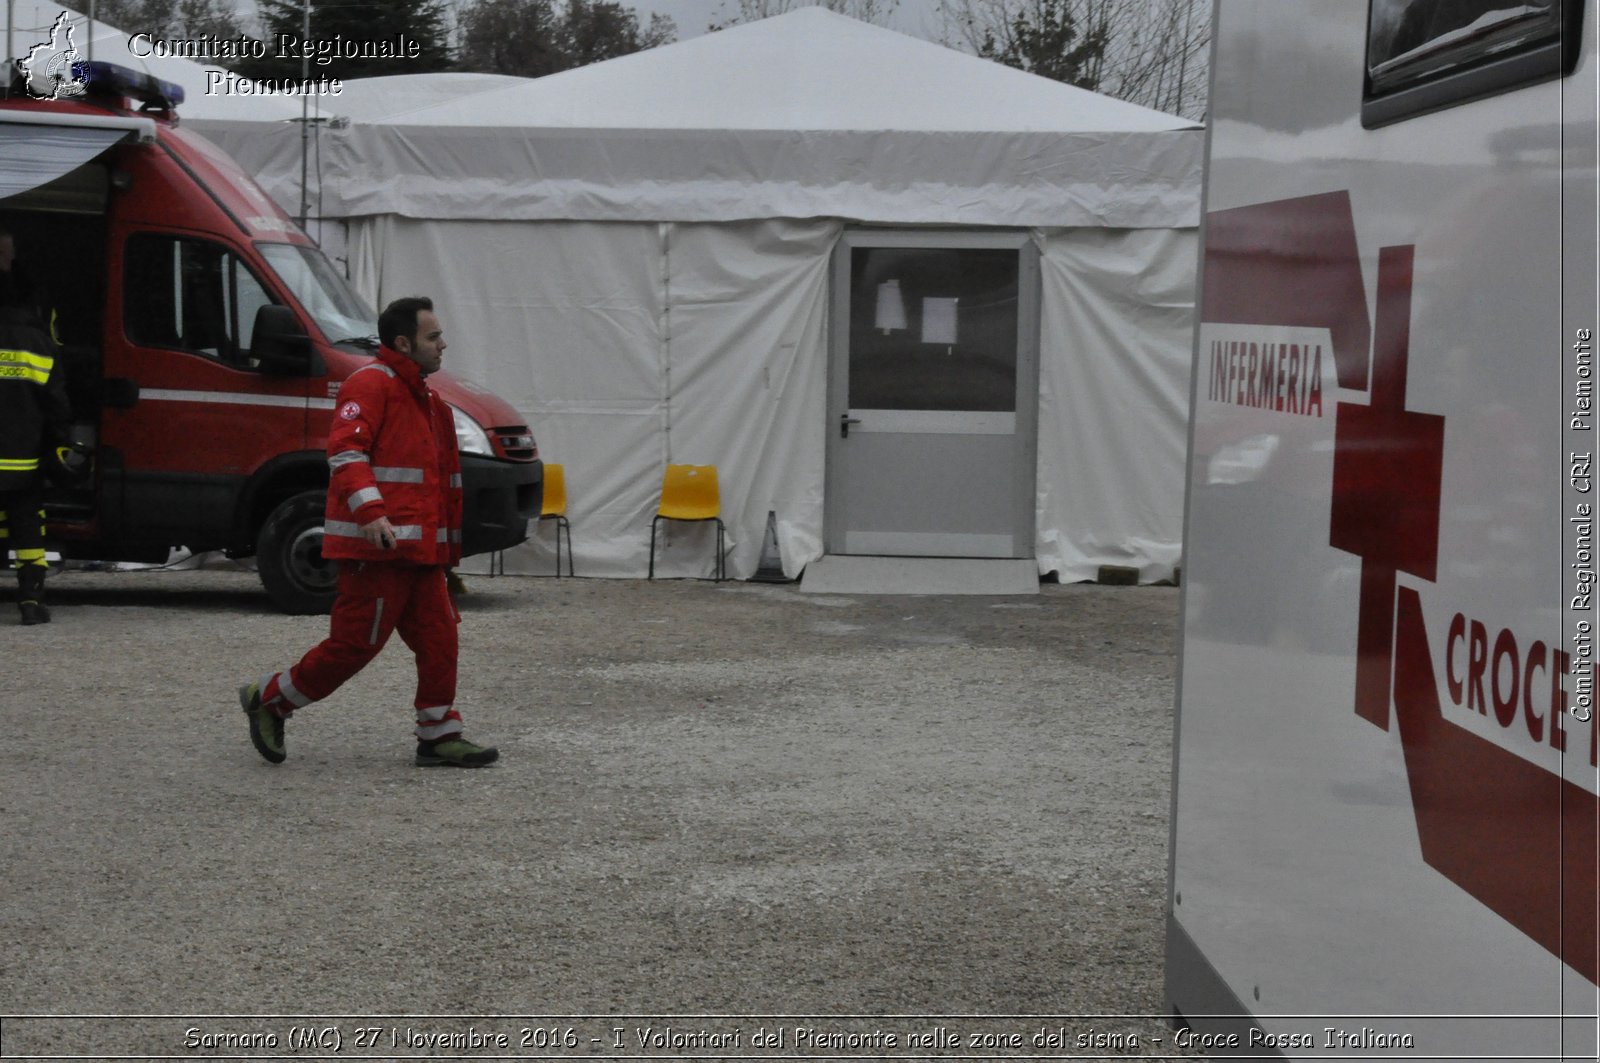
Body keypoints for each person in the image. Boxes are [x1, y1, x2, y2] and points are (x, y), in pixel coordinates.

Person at [239, 297, 499, 768]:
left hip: (416, 552)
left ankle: (439, 733)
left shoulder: (427, 398)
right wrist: (372, 514)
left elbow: (439, 486)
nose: (443, 344)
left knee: (440, 639)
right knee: (354, 647)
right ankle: (271, 699)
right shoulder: (371, 385)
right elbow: (345, 453)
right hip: (376, 550)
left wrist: (444, 554)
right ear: (404, 342)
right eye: (433, 336)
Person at [0, 268, 70, 625]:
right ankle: (30, 600)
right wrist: (59, 442)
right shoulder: (39, 344)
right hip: (22, 459)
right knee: (27, 528)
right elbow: (56, 404)